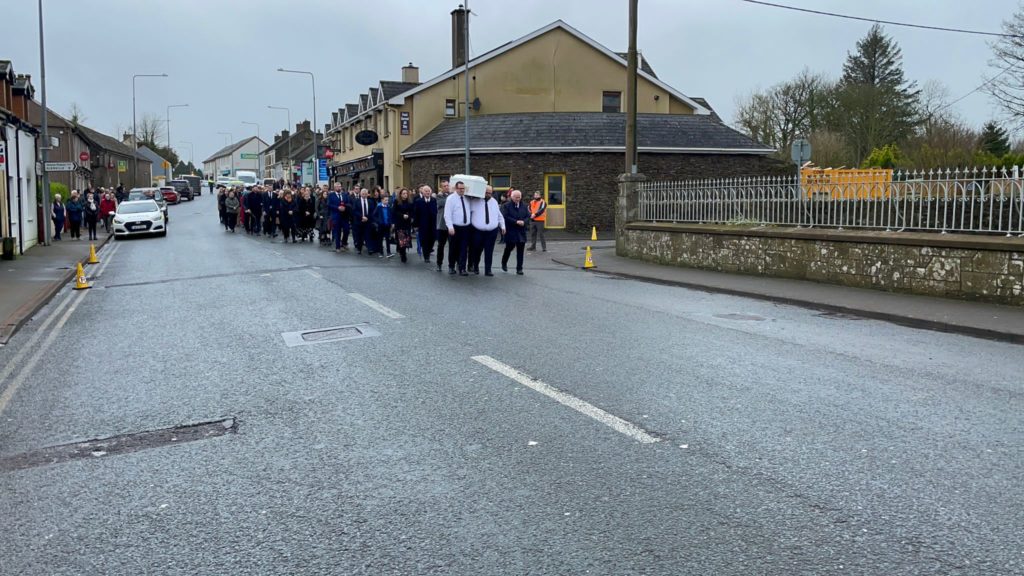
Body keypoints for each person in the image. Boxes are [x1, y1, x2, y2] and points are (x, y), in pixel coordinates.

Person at [469, 185, 506, 276]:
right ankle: (476, 267)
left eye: (490, 193)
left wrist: (503, 226)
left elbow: (499, 215)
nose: (488, 194)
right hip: (478, 231)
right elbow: (468, 213)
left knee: (489, 251)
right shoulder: (475, 201)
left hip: (491, 231)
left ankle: (488, 270)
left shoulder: (494, 202)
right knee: (477, 250)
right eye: (486, 192)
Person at [443, 180, 473, 276]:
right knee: (453, 248)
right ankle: (451, 266)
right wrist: (450, 226)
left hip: (465, 228)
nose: (462, 190)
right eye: (460, 188)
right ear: (456, 188)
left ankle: (462, 268)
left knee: (464, 248)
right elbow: (447, 214)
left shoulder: (467, 198)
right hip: (455, 227)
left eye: (463, 188)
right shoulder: (451, 199)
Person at [502, 189, 530, 275]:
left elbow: (528, 216)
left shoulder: (524, 206)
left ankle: (519, 268)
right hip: (511, 231)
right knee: (509, 248)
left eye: (519, 197)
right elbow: (505, 217)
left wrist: (524, 222)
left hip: (521, 231)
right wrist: (515, 222)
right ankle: (504, 262)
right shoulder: (506, 206)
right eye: (516, 197)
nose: (518, 199)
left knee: (520, 250)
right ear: (512, 197)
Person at [413, 185, 437, 264]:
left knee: (432, 240)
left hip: (432, 224)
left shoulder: (434, 200)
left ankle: (429, 250)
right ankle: (426, 256)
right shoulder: (418, 201)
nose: (427, 192)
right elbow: (416, 214)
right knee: (424, 240)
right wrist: (415, 225)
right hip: (423, 225)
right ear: (422, 192)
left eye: (429, 191)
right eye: (426, 191)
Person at [392, 188, 415, 263]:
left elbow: (412, 211)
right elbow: (394, 211)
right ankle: (403, 254)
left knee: (406, 239)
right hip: (400, 223)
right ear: (400, 195)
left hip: (407, 223)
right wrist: (402, 215)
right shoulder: (396, 202)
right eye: (403, 193)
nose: (405, 195)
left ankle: (403, 250)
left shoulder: (410, 202)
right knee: (402, 240)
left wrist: (410, 216)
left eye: (406, 193)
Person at [352, 188, 375, 255]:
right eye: (363, 194)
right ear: (360, 194)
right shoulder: (356, 201)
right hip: (359, 221)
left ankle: (370, 249)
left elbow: (372, 211)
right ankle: (359, 249)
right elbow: (354, 211)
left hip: (368, 221)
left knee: (368, 235)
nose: (364, 195)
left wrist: (367, 218)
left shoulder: (370, 202)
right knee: (359, 236)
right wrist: (362, 217)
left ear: (367, 194)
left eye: (365, 194)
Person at [372, 193, 394, 258]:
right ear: (382, 200)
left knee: (388, 239)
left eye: (387, 200)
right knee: (380, 239)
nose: (387, 202)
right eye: (385, 200)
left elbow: (391, 216)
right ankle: (381, 252)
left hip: (387, 225)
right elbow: (374, 215)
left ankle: (388, 252)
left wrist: (391, 223)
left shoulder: (389, 207)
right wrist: (378, 221)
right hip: (381, 225)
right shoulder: (379, 207)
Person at [434, 180, 449, 271]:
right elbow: (444, 203)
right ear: (441, 187)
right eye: (445, 186)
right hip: (442, 225)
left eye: (448, 185)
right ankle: (439, 263)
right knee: (441, 246)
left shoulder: (451, 196)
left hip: (451, 225)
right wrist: (453, 194)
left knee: (454, 246)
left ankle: (454, 263)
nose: (447, 187)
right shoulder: (439, 196)